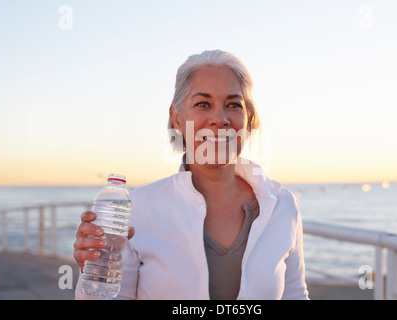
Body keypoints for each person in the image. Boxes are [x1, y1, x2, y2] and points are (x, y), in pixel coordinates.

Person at [74, 50, 309, 300]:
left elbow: (295, 295)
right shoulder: (136, 209)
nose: (220, 119)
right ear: (177, 118)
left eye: (233, 105)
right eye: (203, 104)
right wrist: (93, 276)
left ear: (248, 118)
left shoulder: (282, 205)